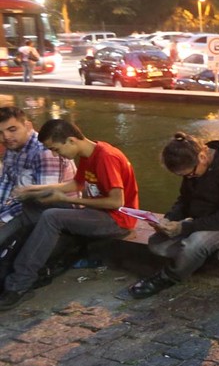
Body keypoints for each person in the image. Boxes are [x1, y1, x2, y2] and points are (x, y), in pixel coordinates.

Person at [0, 119, 139, 311]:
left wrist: (67, 200)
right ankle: (7, 262)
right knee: (33, 203)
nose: (57, 154)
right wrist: (35, 189)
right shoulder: (88, 153)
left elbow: (117, 202)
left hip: (117, 220)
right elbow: (76, 185)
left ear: (71, 141)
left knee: (52, 216)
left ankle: (19, 284)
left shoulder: (106, 157)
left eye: (56, 149)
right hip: (95, 213)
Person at [127, 133, 219, 299]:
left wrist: (184, 227)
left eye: (190, 174)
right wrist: (169, 219)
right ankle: (208, 255)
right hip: (207, 219)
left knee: (195, 244)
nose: (189, 178)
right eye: (184, 176)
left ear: (202, 156)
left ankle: (167, 278)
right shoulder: (194, 168)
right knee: (157, 242)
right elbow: (184, 200)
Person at [0, 107, 78, 282]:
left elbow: (42, 197)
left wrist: (4, 218)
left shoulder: (44, 152)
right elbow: (5, 185)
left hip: (55, 209)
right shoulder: (11, 149)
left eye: (12, 129)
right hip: (24, 207)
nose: (6, 137)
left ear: (27, 125)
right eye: (0, 133)